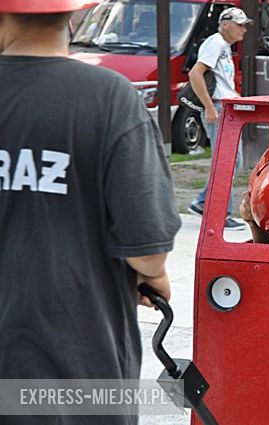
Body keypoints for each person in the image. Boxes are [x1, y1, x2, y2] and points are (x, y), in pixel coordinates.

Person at [0, 1, 181, 424]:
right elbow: (147, 250)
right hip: (79, 374)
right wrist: (150, 275)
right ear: (73, 16)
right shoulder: (109, 98)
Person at [187, 7, 253, 230]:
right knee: (227, 162)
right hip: (217, 108)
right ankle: (218, 212)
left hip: (224, 107)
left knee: (232, 162)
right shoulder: (215, 43)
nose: (244, 29)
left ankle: (204, 203)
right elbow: (195, 73)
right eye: (240, 24)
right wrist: (209, 107)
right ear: (225, 24)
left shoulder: (223, 46)